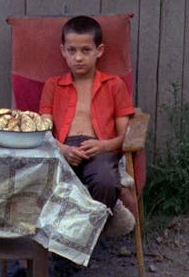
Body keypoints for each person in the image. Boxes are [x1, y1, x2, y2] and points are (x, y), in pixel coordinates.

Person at [39, 16, 136, 238]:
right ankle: (105, 220)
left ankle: (78, 241)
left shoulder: (113, 85)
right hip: (62, 149)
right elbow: (43, 131)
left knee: (105, 180)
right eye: (72, 51)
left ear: (99, 51)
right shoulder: (53, 86)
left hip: (101, 149)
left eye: (86, 50)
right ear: (62, 50)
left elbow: (126, 135)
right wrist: (62, 149)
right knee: (45, 181)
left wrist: (103, 146)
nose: (78, 57)